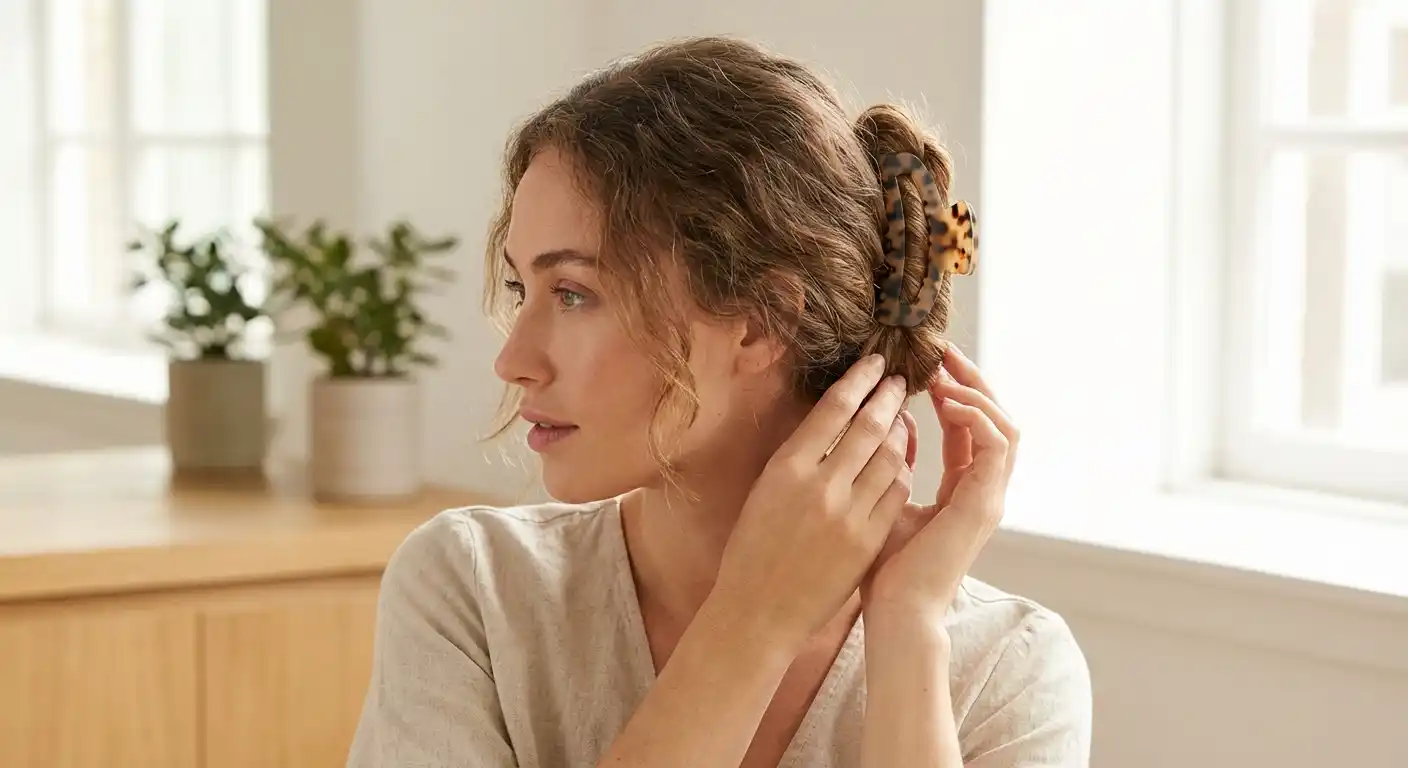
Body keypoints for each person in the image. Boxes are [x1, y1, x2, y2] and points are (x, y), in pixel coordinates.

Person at [347, 35, 1092, 768]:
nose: (512, 361)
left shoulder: (1007, 670)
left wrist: (907, 629)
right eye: (522, 289)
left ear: (763, 322)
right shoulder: (472, 591)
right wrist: (751, 624)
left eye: (573, 293)